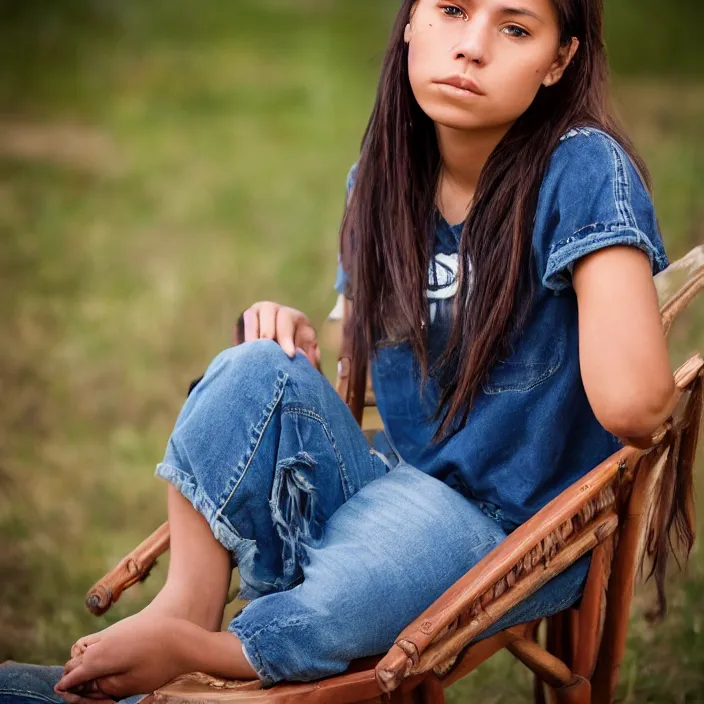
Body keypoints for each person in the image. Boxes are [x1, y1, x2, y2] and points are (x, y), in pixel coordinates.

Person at [0, 0, 677, 700]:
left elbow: (635, 406)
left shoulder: (584, 168)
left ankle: (210, 654)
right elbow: (365, 362)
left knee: (377, 564)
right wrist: (291, 340)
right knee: (252, 363)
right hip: (391, 483)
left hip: (508, 530)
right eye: (450, 10)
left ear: (559, 60)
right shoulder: (384, 177)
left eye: (514, 28)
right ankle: (185, 605)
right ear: (411, 20)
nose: (472, 47)